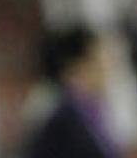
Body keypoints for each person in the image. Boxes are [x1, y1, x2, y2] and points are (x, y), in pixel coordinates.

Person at [24, 26, 119, 158]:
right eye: (99, 60)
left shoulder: (91, 111)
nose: (108, 68)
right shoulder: (63, 121)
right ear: (78, 66)